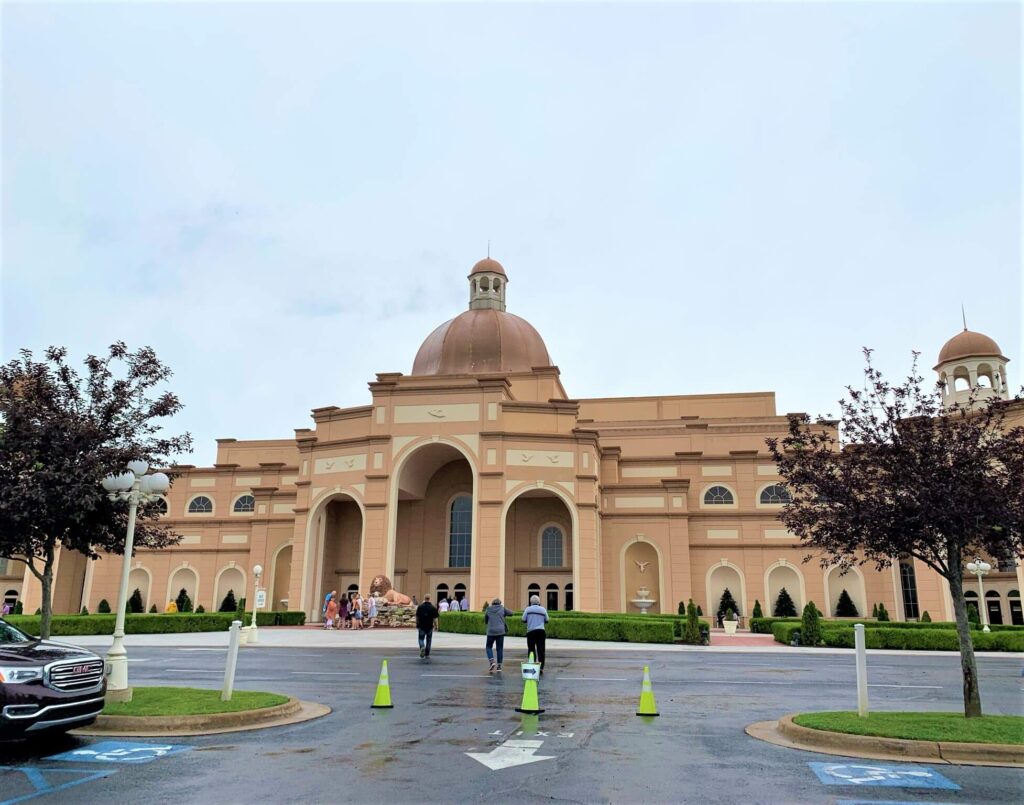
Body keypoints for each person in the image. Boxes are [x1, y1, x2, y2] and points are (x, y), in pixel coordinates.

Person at [484, 597, 513, 673]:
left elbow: (486, 620)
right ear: (500, 603)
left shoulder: (488, 609)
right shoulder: (502, 608)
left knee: (488, 647)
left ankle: (491, 661)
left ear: (492, 603)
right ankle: (499, 666)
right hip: (500, 631)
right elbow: (511, 613)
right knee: (499, 648)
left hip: (491, 631)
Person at [521, 594, 550, 673]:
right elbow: (547, 620)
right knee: (541, 650)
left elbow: (523, 619)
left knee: (531, 649)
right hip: (541, 631)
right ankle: (541, 667)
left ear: (530, 601)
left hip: (531, 632)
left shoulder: (528, 609)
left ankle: (532, 664)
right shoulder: (543, 609)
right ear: (539, 601)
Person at [415, 594, 439, 659]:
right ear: (429, 598)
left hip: (421, 626)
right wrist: (437, 626)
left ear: (424, 598)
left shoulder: (420, 607)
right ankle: (427, 654)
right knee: (429, 640)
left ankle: (422, 646)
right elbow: (435, 618)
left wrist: (417, 623)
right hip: (430, 626)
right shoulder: (433, 607)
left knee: (420, 639)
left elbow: (417, 616)